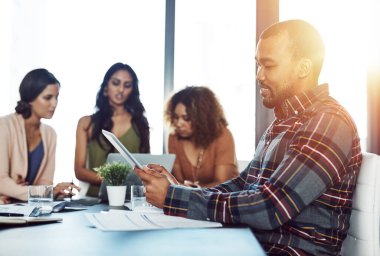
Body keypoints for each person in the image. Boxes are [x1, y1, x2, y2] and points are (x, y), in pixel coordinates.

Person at [135, 19, 362, 255]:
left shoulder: (327, 122)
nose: (259, 75)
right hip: (252, 244)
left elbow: (269, 207)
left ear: (303, 68)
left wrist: (174, 198)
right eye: (258, 65)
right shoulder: (284, 121)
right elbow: (243, 184)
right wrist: (181, 190)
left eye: (269, 66)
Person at [0, 68, 80, 204]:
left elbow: (45, 183)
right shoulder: (4, 126)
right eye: (48, 97)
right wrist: (42, 193)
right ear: (30, 98)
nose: (54, 104)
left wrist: (54, 192)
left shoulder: (50, 134)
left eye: (56, 97)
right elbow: (1, 181)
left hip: (25, 207)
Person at [74, 62, 150, 197]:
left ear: (132, 90)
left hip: (130, 199)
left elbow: (145, 167)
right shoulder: (86, 123)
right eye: (116, 83)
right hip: (95, 199)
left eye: (127, 85)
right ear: (105, 87)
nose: (121, 89)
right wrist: (114, 181)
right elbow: (79, 171)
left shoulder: (140, 124)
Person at [164, 86, 239, 188]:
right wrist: (188, 190)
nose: (179, 123)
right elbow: (178, 182)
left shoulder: (223, 135)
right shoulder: (174, 137)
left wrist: (194, 191)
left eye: (186, 118)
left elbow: (222, 183)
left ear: (202, 118)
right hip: (190, 200)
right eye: (176, 117)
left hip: (224, 199)